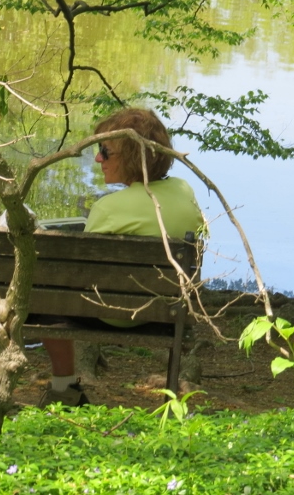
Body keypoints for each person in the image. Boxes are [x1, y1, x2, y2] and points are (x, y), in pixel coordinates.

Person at [38, 107, 204, 407]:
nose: (98, 159)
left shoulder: (109, 208)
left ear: (131, 157)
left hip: (111, 314)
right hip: (168, 310)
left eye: (106, 151)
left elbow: (77, 271)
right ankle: (171, 398)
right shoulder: (184, 189)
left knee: (44, 295)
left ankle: (63, 389)